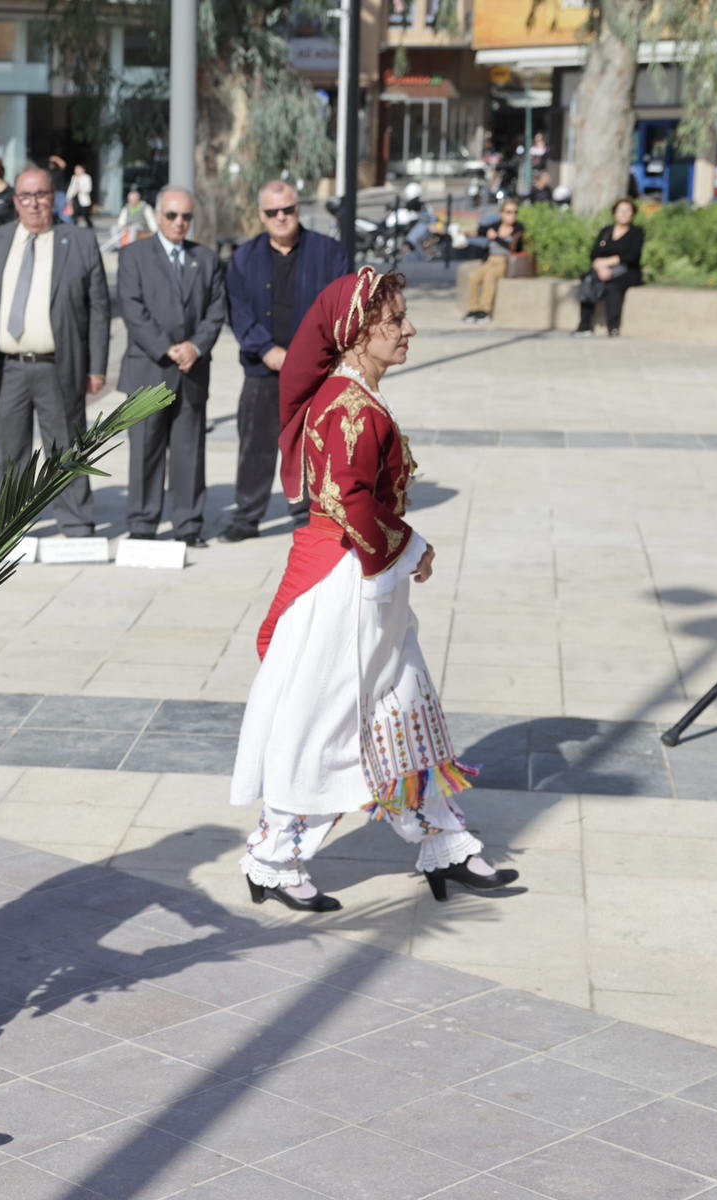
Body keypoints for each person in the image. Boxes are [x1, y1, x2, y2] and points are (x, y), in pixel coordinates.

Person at [230, 268, 520, 910]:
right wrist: (411, 546)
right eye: (394, 321)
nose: (409, 328)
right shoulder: (350, 408)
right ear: (356, 334)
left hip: (363, 576)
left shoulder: (352, 395)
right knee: (327, 723)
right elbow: (348, 500)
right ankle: (274, 858)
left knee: (402, 708)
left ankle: (445, 841)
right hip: (347, 584)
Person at [0, 166, 110, 537]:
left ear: (53, 197)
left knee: (68, 450)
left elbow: (99, 309)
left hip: (58, 366)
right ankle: (7, 528)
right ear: (15, 201)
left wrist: (97, 368)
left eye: (41, 195)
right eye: (26, 196)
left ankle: (76, 524)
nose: (34, 204)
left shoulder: (79, 241)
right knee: (8, 453)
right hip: (7, 368)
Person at [223, 179, 351, 541]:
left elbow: (340, 308)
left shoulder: (329, 253)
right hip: (262, 369)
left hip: (314, 371)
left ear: (299, 209)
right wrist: (266, 350)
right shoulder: (244, 258)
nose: (281, 217)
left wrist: (302, 356)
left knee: (312, 444)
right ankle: (247, 517)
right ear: (261, 215)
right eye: (272, 211)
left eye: (288, 209)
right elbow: (238, 310)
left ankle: (308, 517)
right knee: (255, 444)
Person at [117, 186, 225, 548]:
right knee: (145, 449)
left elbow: (215, 311)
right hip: (149, 369)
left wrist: (195, 346)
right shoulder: (133, 256)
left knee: (188, 451)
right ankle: (143, 524)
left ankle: (188, 524)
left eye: (186, 217)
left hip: (191, 371)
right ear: (159, 216)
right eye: (172, 215)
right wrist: (167, 348)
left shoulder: (206, 259)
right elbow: (132, 309)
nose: (180, 223)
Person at [574, 197, 644, 339]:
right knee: (588, 281)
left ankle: (613, 326)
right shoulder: (606, 231)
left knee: (613, 286)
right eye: (620, 210)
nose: (623, 214)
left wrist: (608, 263)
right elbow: (595, 253)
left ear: (633, 214)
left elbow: (632, 255)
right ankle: (584, 325)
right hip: (602, 269)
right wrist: (600, 267)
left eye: (627, 211)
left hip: (626, 271)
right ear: (614, 213)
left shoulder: (636, 233)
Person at [463, 198, 526, 324]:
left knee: (490, 277)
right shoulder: (496, 226)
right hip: (491, 260)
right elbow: (480, 231)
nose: (512, 215)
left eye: (515, 212)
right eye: (508, 212)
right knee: (474, 276)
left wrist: (496, 238)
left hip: (506, 261)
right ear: (502, 213)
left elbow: (514, 247)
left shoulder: (519, 229)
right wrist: (463, 232)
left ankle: (485, 311)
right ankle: (473, 309)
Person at [66, 162, 95, 229]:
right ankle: (75, 226)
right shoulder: (74, 177)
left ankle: (89, 225)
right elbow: (71, 187)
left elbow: (89, 188)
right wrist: (68, 196)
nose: (76, 171)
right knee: (74, 213)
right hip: (75, 198)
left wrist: (81, 189)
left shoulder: (87, 177)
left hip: (83, 198)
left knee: (85, 215)